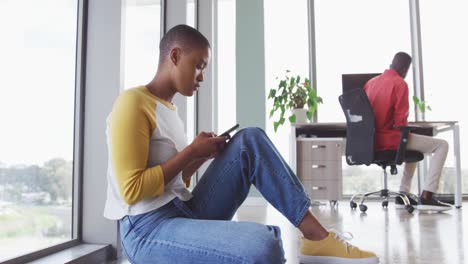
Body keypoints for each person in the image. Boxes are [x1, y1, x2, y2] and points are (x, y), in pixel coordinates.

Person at [103, 24, 379, 264]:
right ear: (174, 56)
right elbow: (132, 190)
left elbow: (176, 182)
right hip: (146, 230)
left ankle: (317, 237)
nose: (202, 76)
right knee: (265, 246)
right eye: (198, 65)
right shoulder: (133, 103)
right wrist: (190, 152)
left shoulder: (170, 110)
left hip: (182, 210)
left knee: (249, 139)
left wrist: (203, 156)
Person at [364, 51, 451, 211]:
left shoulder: (370, 83)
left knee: (410, 141)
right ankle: (428, 195)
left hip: (371, 141)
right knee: (442, 145)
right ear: (405, 69)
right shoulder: (399, 83)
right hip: (390, 139)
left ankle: (403, 193)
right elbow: (400, 122)